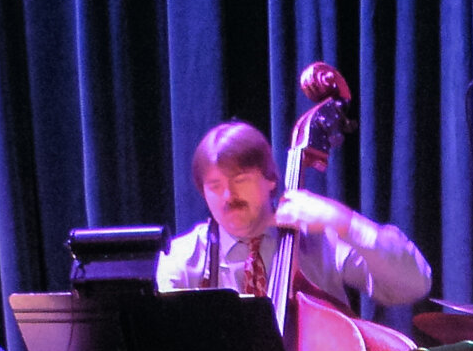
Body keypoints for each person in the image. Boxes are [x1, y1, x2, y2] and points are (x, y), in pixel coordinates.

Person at [156, 121, 432, 309]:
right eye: (215, 186)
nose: (228, 196)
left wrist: (345, 222)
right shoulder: (180, 259)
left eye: (240, 179)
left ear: (270, 179)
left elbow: (414, 285)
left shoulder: (321, 241)